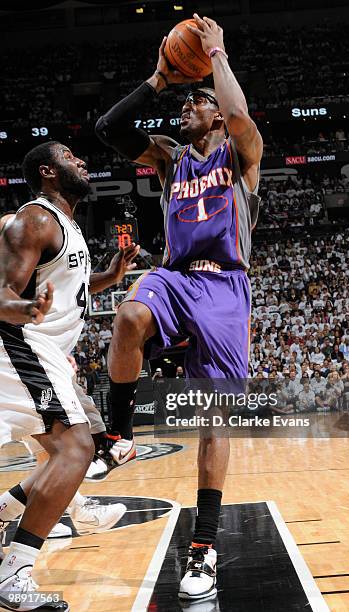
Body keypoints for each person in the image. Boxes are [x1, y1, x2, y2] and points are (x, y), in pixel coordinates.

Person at [95, 13, 262, 601]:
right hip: (175, 276)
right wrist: (160, 80)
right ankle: (118, 434)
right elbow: (108, 127)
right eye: (183, 101)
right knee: (127, 317)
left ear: (215, 112)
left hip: (224, 289)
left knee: (213, 423)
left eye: (197, 102)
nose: (186, 108)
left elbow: (239, 118)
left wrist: (215, 54)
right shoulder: (170, 158)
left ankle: (204, 547)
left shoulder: (241, 156)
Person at [0, 142, 138, 610]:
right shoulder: (35, 219)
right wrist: (24, 308)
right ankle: (14, 571)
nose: (81, 160)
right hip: (21, 342)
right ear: (48, 172)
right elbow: (2, 293)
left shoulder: (67, 227)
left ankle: (9, 515)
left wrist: (109, 275)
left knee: (67, 454)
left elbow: (71, 287)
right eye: (69, 156)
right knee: (78, 448)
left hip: (43, 350)